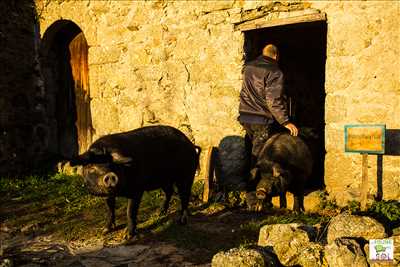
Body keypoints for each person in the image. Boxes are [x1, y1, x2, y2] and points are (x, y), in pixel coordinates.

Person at [238, 44, 298, 179]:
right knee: (260, 157)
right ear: (276, 56)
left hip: (245, 117)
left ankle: (249, 186)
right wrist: (285, 121)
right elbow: (273, 100)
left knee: (251, 152)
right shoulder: (275, 72)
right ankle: (255, 191)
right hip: (261, 119)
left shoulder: (248, 67)